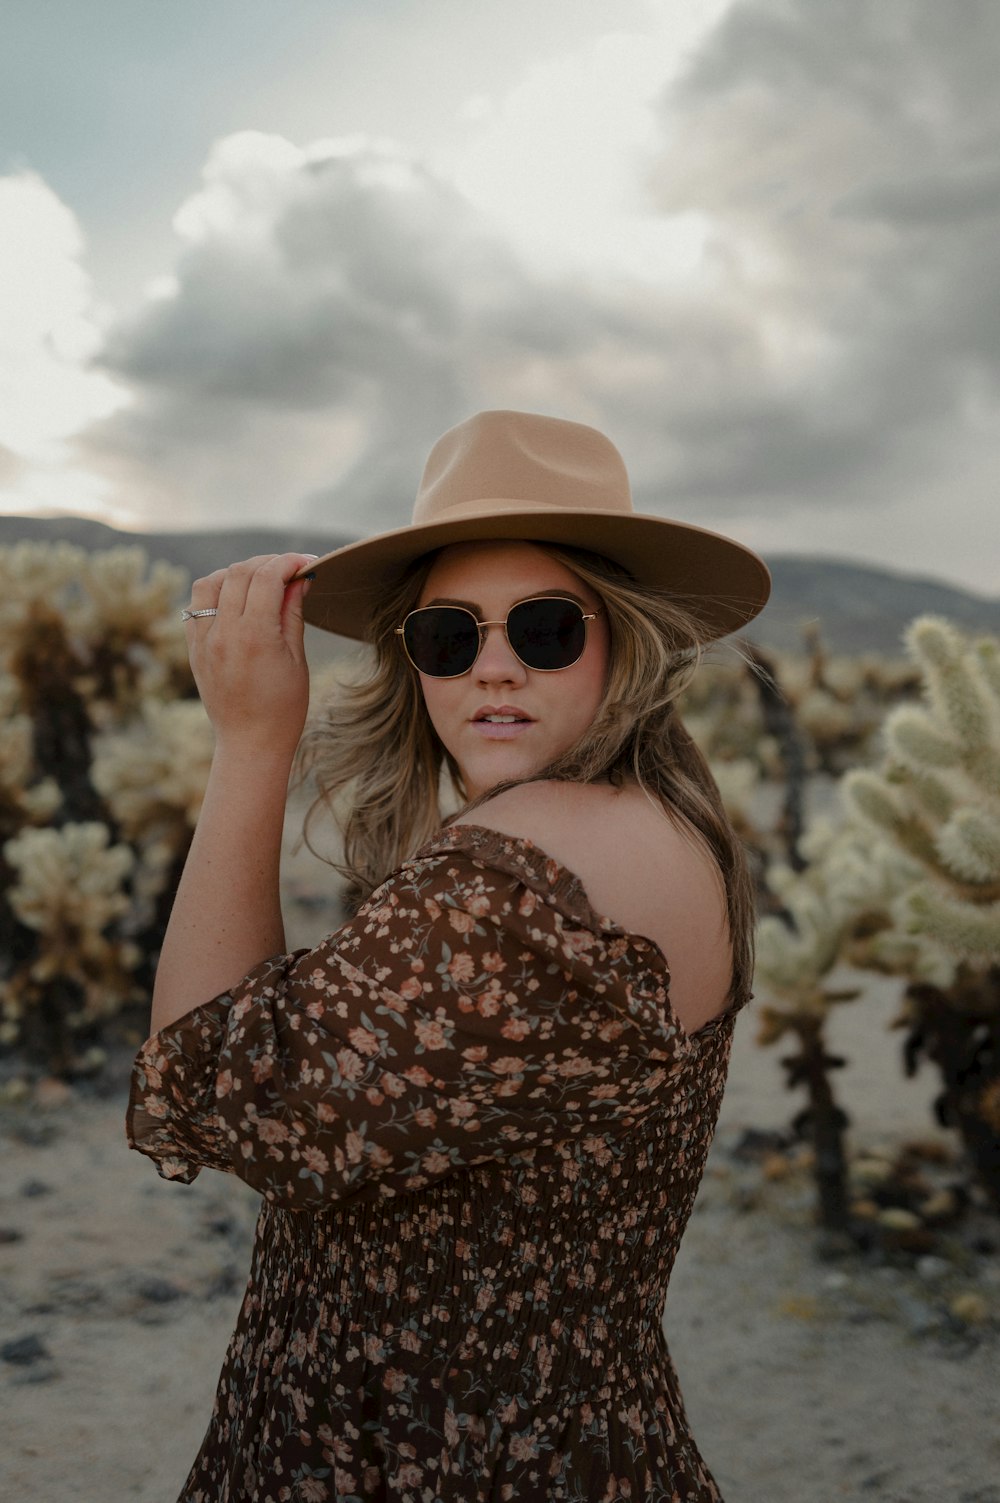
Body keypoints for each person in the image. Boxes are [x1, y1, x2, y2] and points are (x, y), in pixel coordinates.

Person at [126, 409, 771, 1503]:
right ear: (413, 663)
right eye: (448, 636)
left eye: (547, 628)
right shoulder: (669, 825)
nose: (494, 668)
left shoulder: (530, 862)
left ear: (622, 636)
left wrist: (247, 742)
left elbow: (208, 1084)